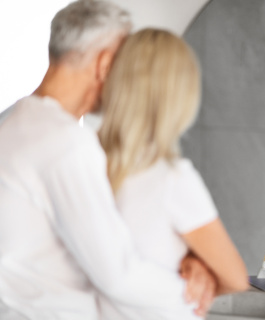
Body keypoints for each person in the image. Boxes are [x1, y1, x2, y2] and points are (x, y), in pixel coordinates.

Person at [0, 1, 216, 319]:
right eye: (126, 63)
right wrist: (193, 292)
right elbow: (119, 274)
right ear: (104, 63)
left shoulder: (10, 122)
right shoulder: (67, 143)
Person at [97, 28, 249, 319]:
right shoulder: (172, 178)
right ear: (180, 98)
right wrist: (199, 264)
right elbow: (235, 279)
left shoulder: (78, 158)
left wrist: (193, 258)